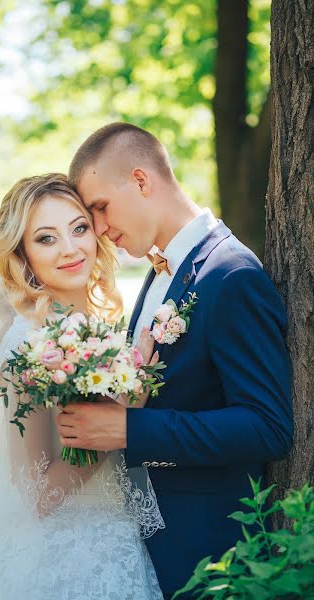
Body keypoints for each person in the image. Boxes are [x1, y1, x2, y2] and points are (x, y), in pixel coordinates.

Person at [57, 122, 294, 599]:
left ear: (141, 181)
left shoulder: (231, 274)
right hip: (153, 540)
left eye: (100, 207)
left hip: (207, 552)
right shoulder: (160, 271)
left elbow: (268, 426)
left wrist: (128, 430)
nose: (99, 229)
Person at [0, 173, 165, 599]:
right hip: (66, 552)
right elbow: (39, 496)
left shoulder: (94, 325)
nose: (70, 249)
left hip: (112, 529)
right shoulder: (28, 348)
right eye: (46, 238)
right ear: (23, 254)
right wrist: (125, 415)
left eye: (79, 228)